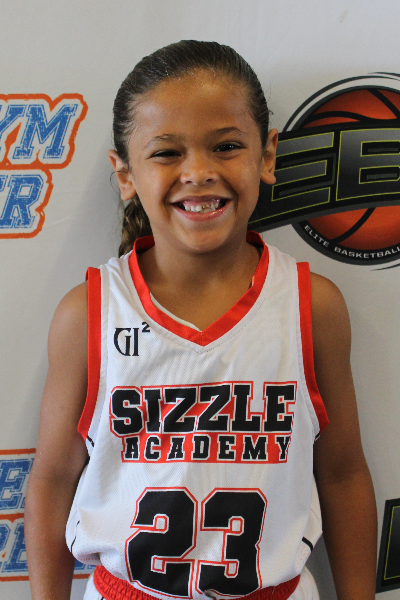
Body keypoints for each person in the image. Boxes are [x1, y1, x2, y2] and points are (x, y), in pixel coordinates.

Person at [25, 40, 377, 600]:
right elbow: (51, 481)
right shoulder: (89, 312)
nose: (198, 172)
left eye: (226, 146)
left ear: (266, 155)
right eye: (167, 153)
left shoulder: (312, 305)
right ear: (125, 173)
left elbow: (342, 475)